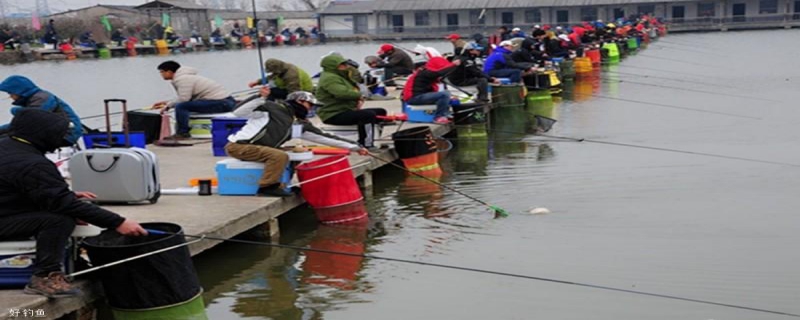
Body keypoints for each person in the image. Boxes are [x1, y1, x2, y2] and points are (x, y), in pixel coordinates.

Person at [0, 109, 147, 298]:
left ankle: (72, 263)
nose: (61, 139)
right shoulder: (31, 162)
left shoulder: (8, 147)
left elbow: (13, 188)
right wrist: (118, 222)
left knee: (63, 210)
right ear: (43, 134)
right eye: (58, 134)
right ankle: (45, 276)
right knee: (58, 220)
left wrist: (63, 195)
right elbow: (63, 205)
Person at [226, 89, 367, 197]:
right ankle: (266, 187)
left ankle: (283, 184)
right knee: (279, 156)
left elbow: (325, 138)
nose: (311, 109)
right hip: (239, 146)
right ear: (299, 101)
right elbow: (238, 112)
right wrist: (259, 97)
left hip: (261, 148)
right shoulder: (269, 108)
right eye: (310, 105)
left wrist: (356, 147)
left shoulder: (300, 123)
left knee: (296, 155)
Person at [316, 54, 386, 149]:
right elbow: (342, 93)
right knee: (367, 115)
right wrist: (360, 96)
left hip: (345, 109)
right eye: (342, 64)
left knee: (381, 112)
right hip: (332, 114)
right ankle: (366, 144)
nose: (346, 66)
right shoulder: (330, 78)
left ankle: (374, 139)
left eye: (345, 64)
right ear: (333, 66)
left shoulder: (340, 76)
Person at [152, 61, 235, 139]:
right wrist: (166, 103)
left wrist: (168, 106)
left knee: (181, 107)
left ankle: (182, 133)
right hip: (224, 102)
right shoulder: (185, 77)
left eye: (162, 72)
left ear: (169, 72)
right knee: (182, 105)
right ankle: (183, 131)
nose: (161, 74)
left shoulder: (183, 79)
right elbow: (185, 97)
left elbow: (184, 99)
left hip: (222, 103)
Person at [0, 75, 83, 146]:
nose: (11, 97)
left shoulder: (42, 98)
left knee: (7, 140)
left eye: (11, 93)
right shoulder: (35, 98)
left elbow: (31, 119)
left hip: (66, 134)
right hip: (54, 132)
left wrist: (16, 111)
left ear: (19, 91)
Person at [403, 57, 460, 124]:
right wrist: (453, 65)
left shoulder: (427, 72)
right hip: (414, 98)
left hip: (419, 96)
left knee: (446, 95)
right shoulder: (426, 73)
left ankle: (446, 113)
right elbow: (439, 73)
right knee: (444, 94)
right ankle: (439, 117)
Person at [247, 58, 313, 100]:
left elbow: (294, 92)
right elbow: (272, 77)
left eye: (272, 71)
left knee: (271, 92)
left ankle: (271, 109)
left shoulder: (291, 75)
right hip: (288, 89)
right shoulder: (282, 68)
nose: (272, 72)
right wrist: (257, 82)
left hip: (303, 92)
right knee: (270, 91)